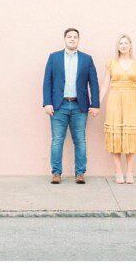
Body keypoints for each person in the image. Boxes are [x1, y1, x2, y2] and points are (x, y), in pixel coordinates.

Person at [42, 27, 100, 183]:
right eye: (69, 37)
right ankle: (56, 173)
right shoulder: (54, 58)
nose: (72, 39)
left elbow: (93, 83)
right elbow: (47, 81)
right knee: (57, 140)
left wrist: (95, 104)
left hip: (79, 106)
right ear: (64, 39)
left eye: (75, 37)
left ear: (78, 40)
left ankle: (80, 173)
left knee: (80, 140)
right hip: (58, 106)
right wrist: (47, 103)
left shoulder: (87, 59)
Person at [101, 34, 136, 183]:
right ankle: (118, 171)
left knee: (131, 136)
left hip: (133, 101)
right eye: (121, 43)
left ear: (130, 46)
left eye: (126, 43)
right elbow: (105, 85)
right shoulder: (111, 63)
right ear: (118, 46)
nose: (124, 45)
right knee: (115, 136)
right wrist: (97, 102)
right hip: (114, 100)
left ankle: (130, 172)